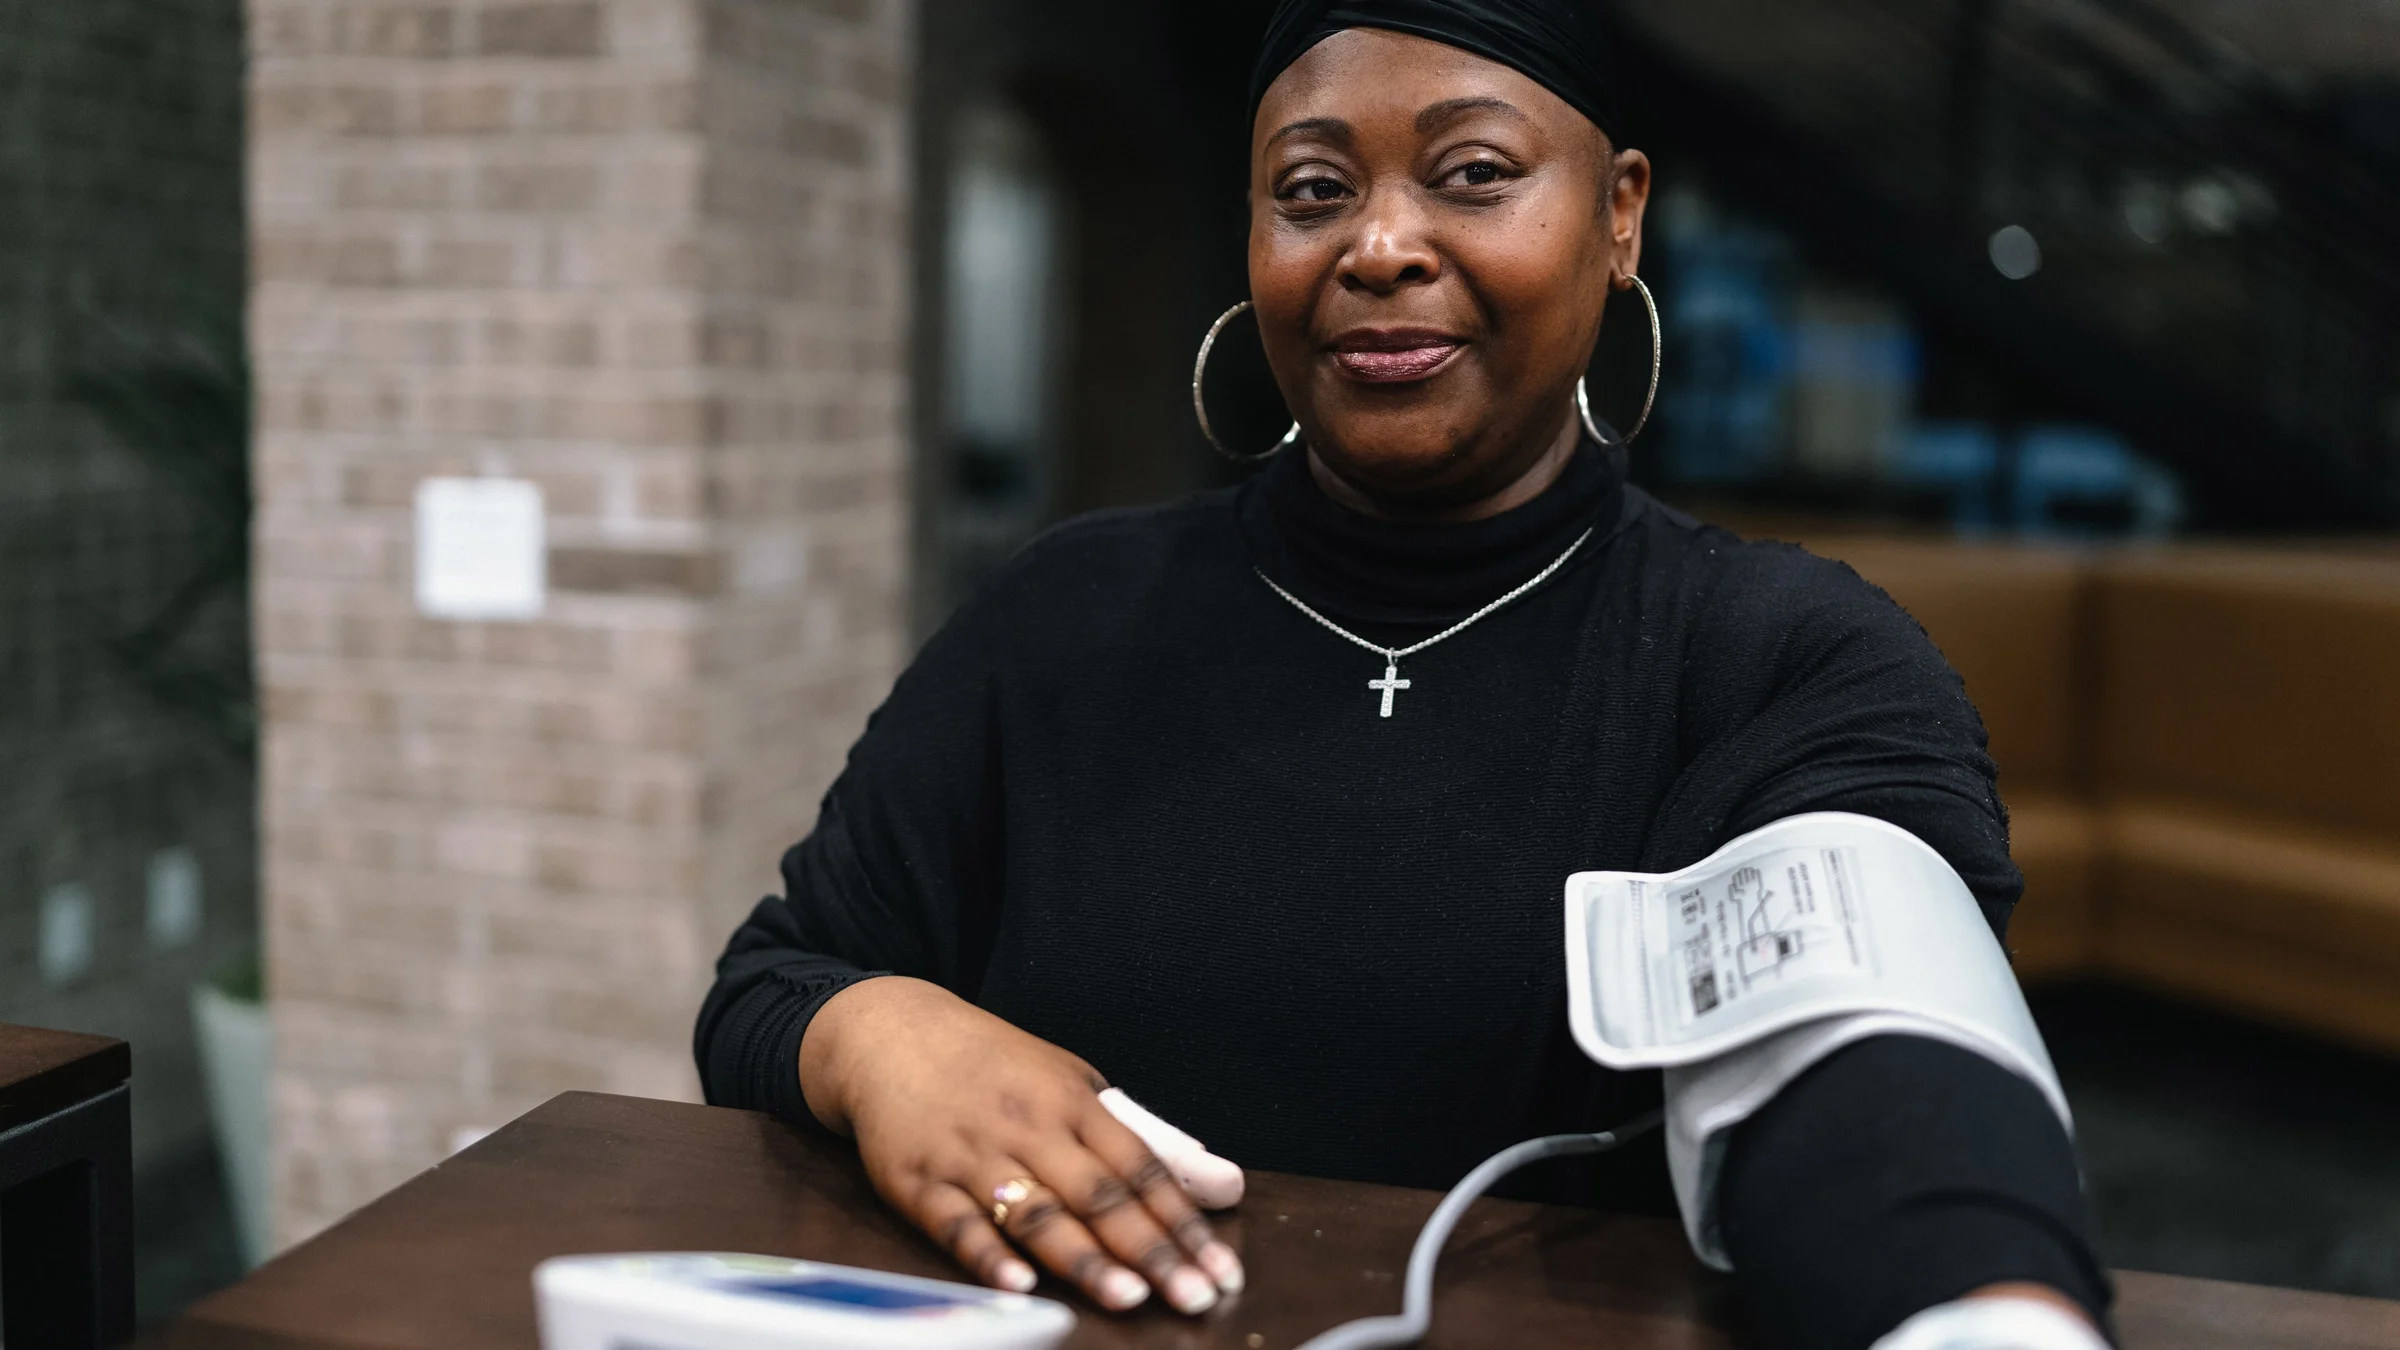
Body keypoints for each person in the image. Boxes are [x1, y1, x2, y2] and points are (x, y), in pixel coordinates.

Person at [696, 2, 2112, 1346]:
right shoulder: (1063, 614)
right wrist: (882, 1035)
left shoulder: (1781, 659)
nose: (1378, 244)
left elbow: (1876, 1064)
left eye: (1474, 173)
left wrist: (1976, 1307)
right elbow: (774, 981)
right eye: (1310, 189)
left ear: (1620, 213)